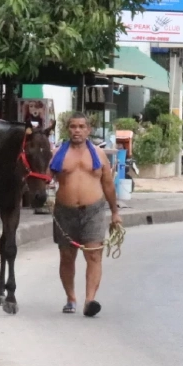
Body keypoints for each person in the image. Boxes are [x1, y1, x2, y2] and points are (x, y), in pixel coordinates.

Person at [50, 113, 120, 317]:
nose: (77, 130)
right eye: (73, 126)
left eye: (81, 126)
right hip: (64, 211)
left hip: (94, 210)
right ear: (68, 129)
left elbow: (108, 184)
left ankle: (90, 300)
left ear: (88, 130)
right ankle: (71, 298)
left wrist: (115, 212)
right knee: (67, 256)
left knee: (94, 255)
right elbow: (44, 178)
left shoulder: (98, 155)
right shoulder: (57, 154)